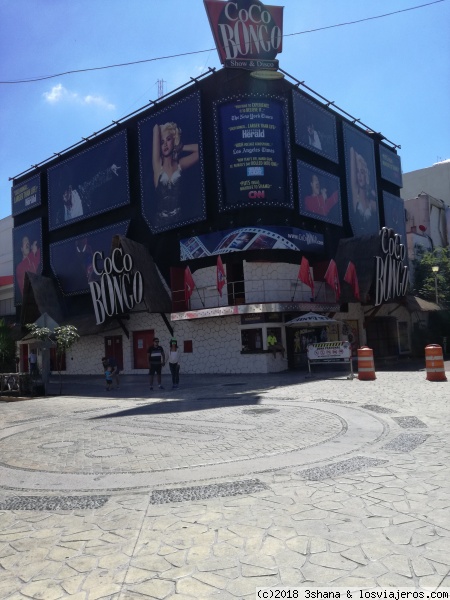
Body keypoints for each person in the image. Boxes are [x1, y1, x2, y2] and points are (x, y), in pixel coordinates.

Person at [152, 122, 198, 226]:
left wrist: (181, 147)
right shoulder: (158, 166)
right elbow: (155, 128)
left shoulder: (180, 165)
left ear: (174, 140)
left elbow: (201, 149)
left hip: (180, 222)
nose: (164, 144)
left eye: (168, 139)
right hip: (160, 226)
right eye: (162, 141)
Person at [349, 146, 378, 234]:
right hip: (356, 242)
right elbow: (351, 151)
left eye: (362, 172)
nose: (359, 176)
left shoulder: (372, 204)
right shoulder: (355, 198)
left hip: (371, 244)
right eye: (357, 172)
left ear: (366, 175)